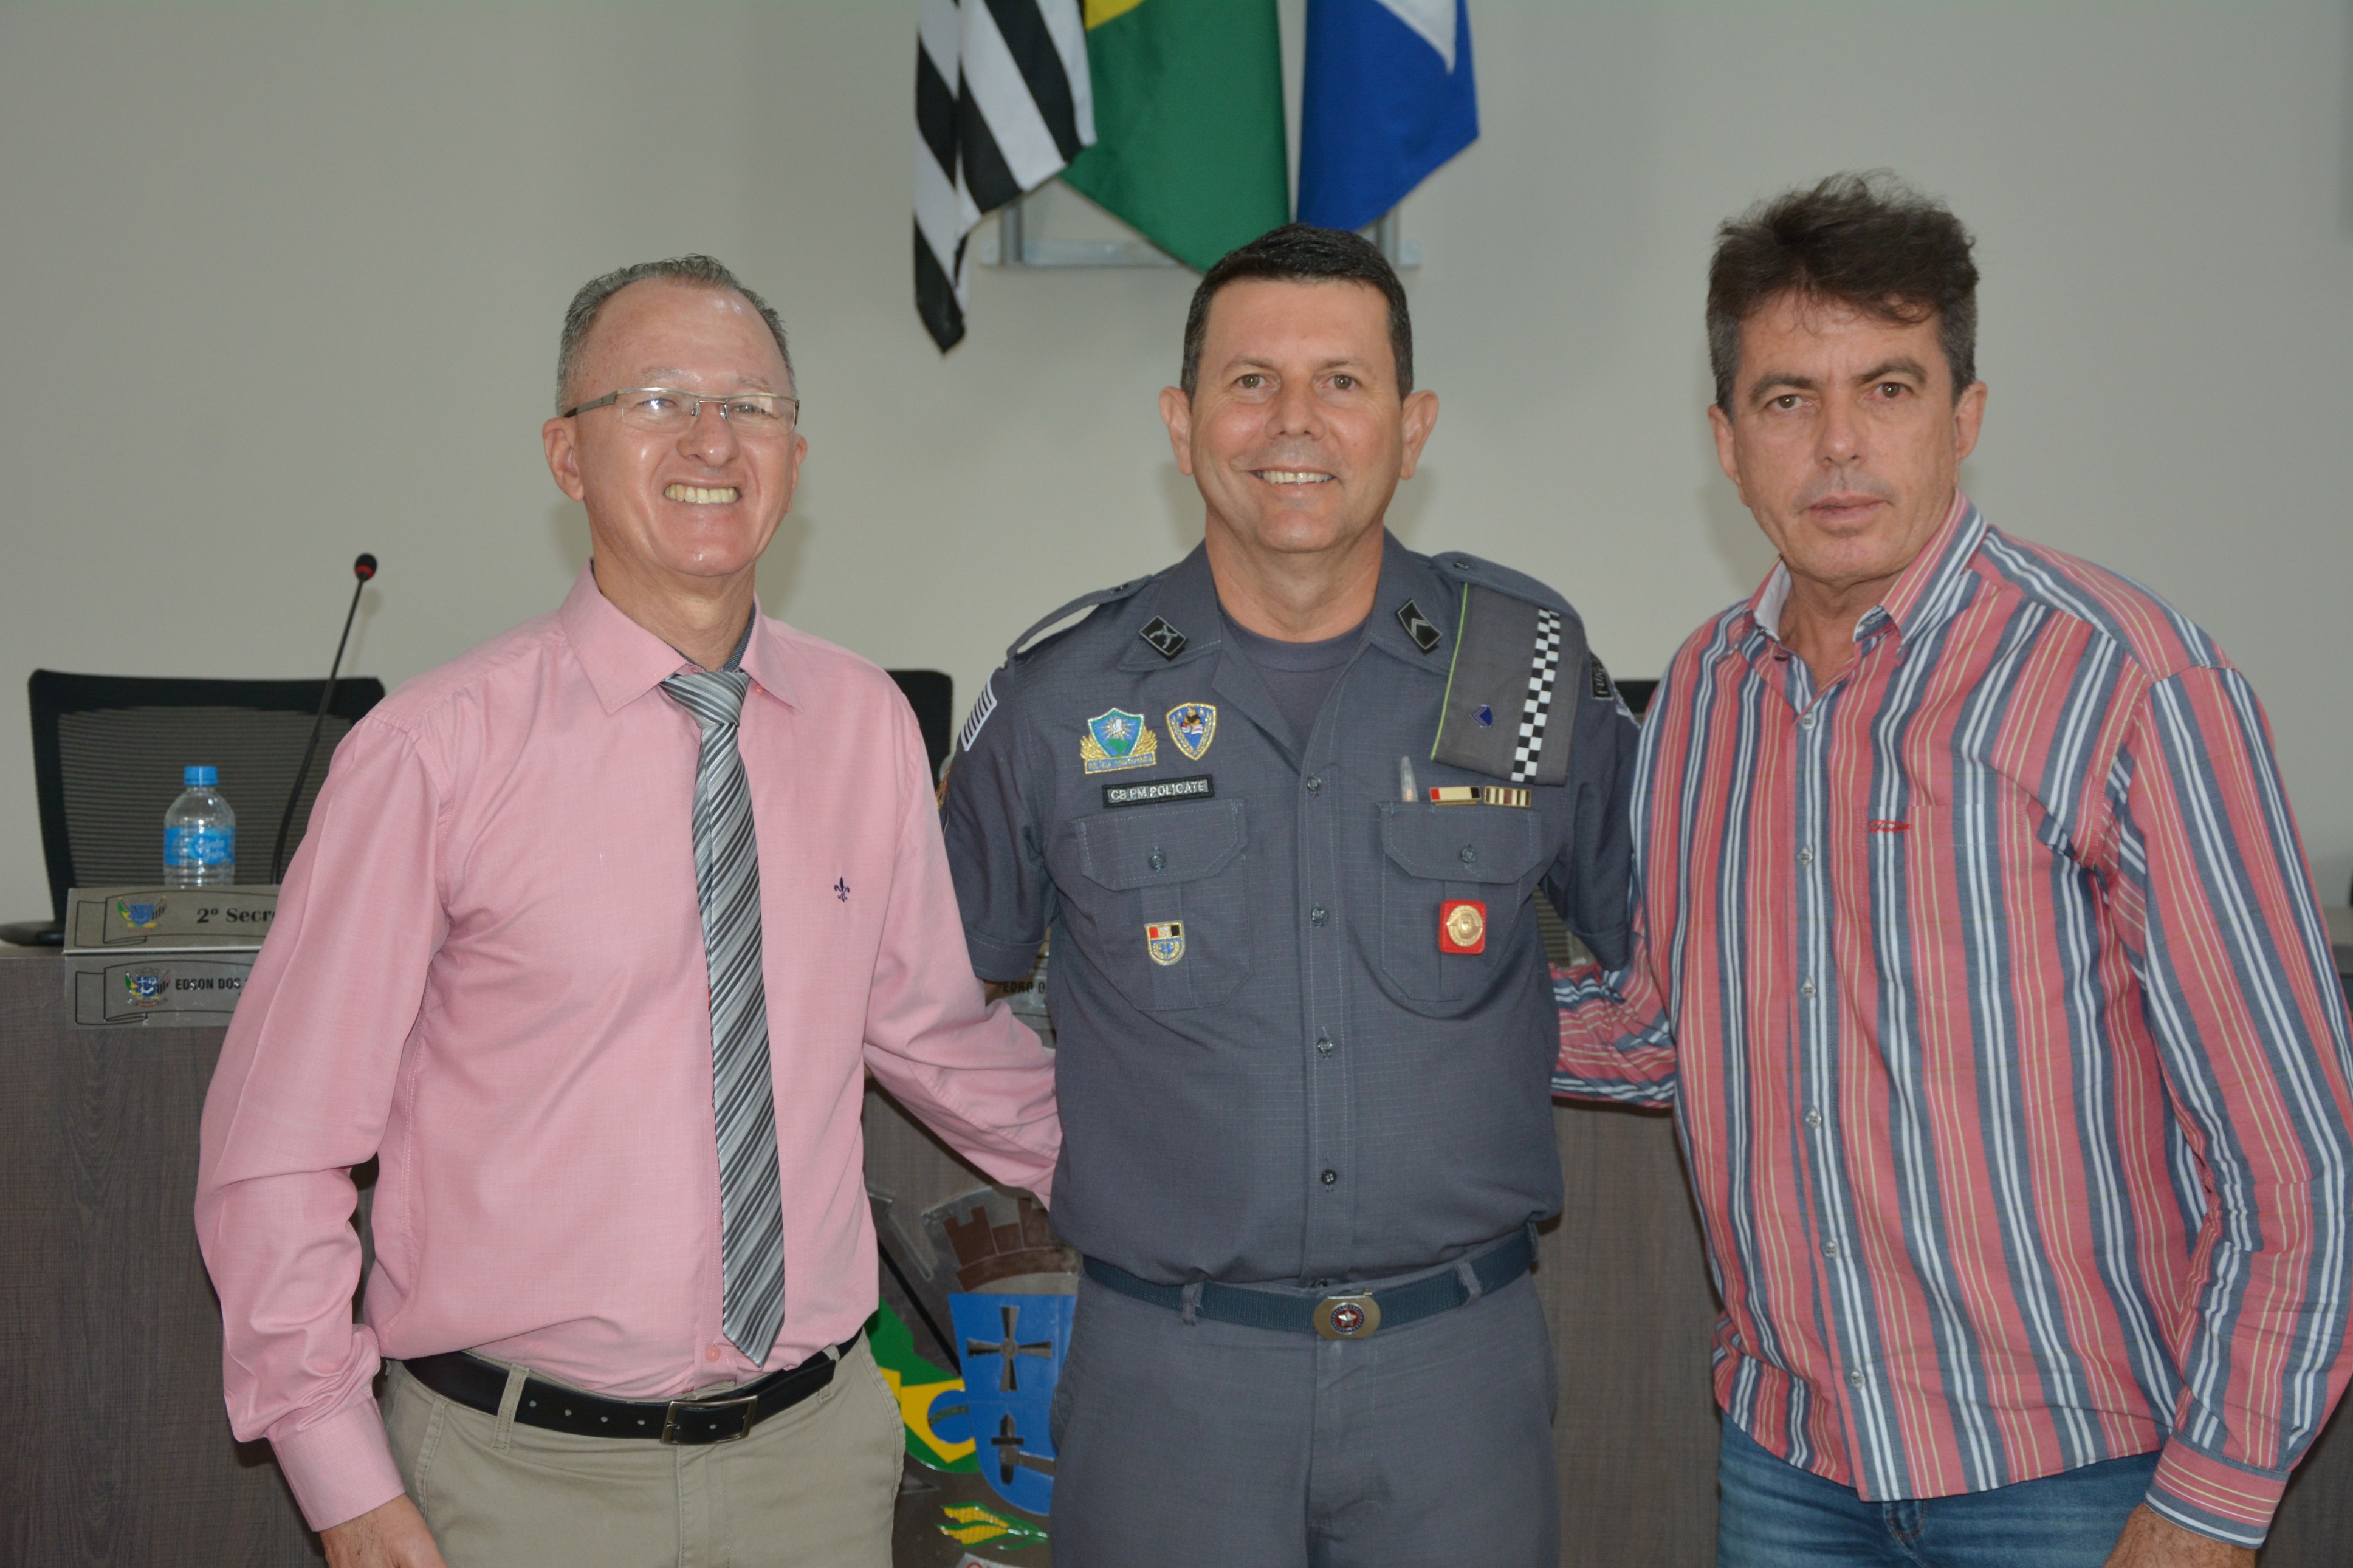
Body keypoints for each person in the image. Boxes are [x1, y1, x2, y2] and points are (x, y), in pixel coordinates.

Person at [194, 255, 1062, 1568]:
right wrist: (342, 1476)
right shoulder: (434, 752)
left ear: (794, 455)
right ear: (567, 453)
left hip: (815, 1470)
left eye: (751, 406)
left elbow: (935, 1034)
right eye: (657, 399)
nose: (712, 440)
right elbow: (279, 1144)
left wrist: (1174, 1179)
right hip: (513, 1481)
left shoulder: (864, 724)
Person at [1554, 174, 2353, 1568]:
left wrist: (2210, 1506)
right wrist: (1390, 1000)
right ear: (1725, 441)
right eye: (1788, 398)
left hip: (2078, 1481)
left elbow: (2298, 1157)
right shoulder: (1698, 698)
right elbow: (1670, 1025)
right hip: (1790, 1469)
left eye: (1890, 388)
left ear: (1965, 418)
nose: (1839, 445)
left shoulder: (2127, 682)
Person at [939, 224, 1637, 1567]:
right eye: (1251, 380)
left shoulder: (1518, 662)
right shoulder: (1063, 693)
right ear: (1181, 421)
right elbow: (937, 991)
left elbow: (1661, 944)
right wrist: (1074, 1146)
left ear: (1412, 427)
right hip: (1169, 1380)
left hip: (1456, 1375)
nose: (1294, 421)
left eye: (1343, 381)